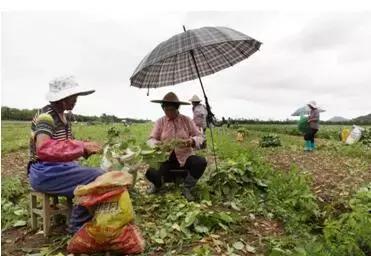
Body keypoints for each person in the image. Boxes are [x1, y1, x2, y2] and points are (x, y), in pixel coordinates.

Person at [28, 76, 103, 234]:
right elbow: (44, 149)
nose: (75, 100)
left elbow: (65, 148)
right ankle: (76, 224)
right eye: (73, 97)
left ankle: (81, 215)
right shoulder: (46, 116)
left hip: (60, 169)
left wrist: (86, 150)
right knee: (99, 176)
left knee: (98, 173)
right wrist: (81, 147)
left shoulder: (64, 117)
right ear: (62, 98)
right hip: (44, 172)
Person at [145, 92, 207, 201]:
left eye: (171, 110)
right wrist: (158, 144)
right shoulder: (160, 122)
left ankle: (187, 187)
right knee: (151, 172)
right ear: (163, 108)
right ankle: (157, 185)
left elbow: (200, 137)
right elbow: (151, 139)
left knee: (200, 162)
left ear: (177, 108)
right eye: (166, 109)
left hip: (185, 159)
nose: (168, 112)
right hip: (166, 159)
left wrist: (191, 141)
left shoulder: (186, 120)